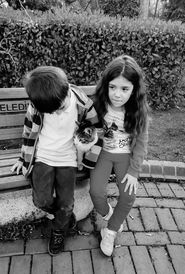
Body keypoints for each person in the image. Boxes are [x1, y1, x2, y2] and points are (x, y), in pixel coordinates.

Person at [11, 66, 98, 256]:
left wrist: (87, 141)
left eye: (60, 107)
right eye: (53, 111)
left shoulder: (82, 103)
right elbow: (28, 132)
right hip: (42, 156)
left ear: (66, 88)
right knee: (41, 200)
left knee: (67, 204)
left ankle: (59, 230)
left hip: (68, 159)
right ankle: (61, 217)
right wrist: (22, 158)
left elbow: (93, 125)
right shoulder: (37, 105)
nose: (58, 113)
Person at [88, 55, 149, 256]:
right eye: (112, 87)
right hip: (103, 154)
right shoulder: (99, 104)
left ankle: (111, 231)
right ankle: (108, 214)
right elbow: (87, 127)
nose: (117, 94)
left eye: (125, 89)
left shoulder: (138, 111)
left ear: (134, 89)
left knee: (129, 195)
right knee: (96, 192)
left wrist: (134, 171)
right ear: (106, 85)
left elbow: (141, 143)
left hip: (125, 158)